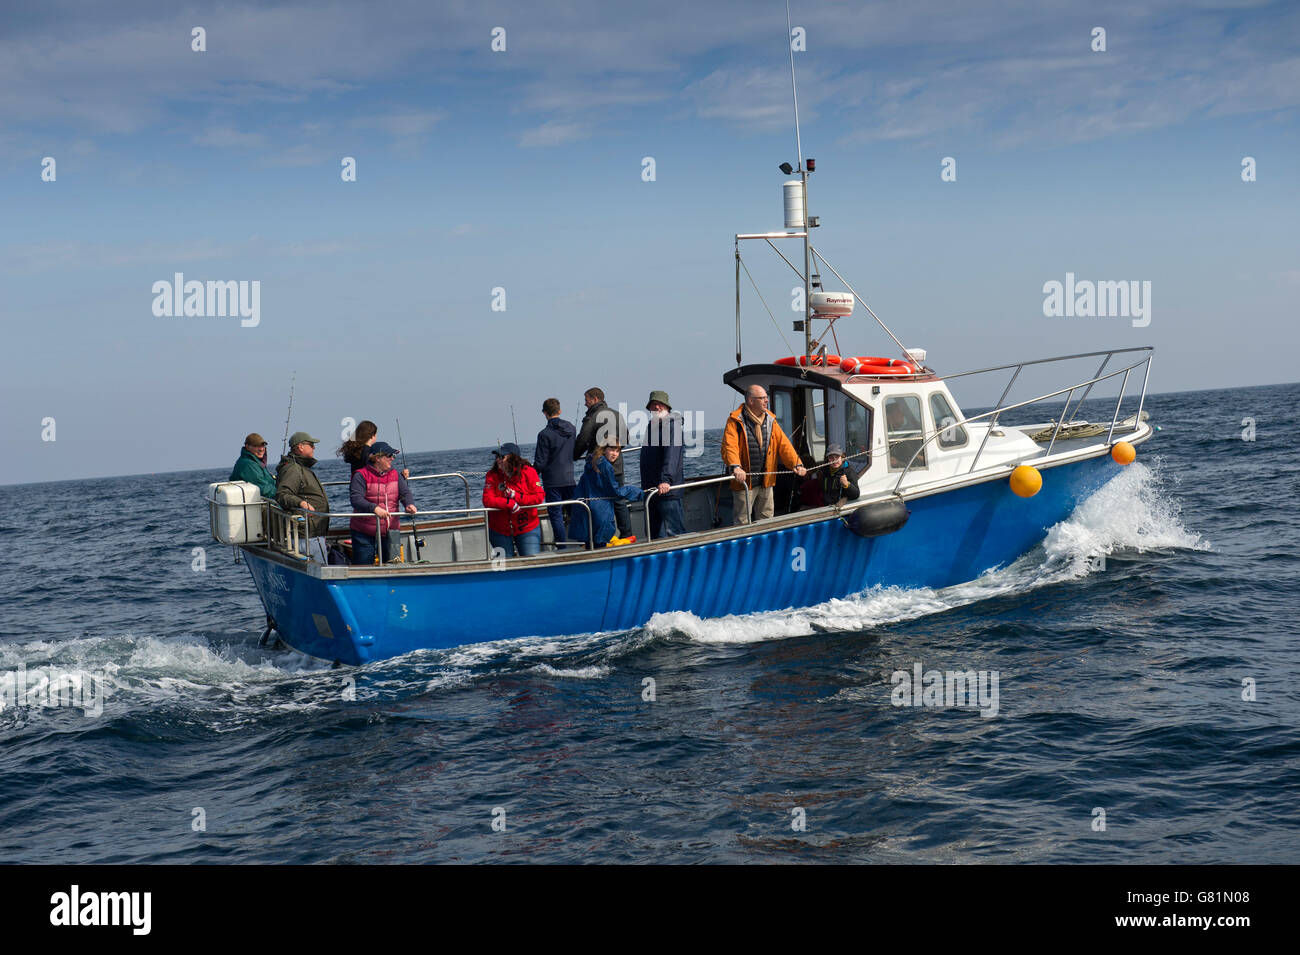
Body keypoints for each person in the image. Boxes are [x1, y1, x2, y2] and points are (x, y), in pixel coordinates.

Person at [721, 384, 807, 525]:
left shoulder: (770, 420)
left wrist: (796, 464)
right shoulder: (735, 421)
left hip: (766, 480)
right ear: (750, 400)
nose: (766, 401)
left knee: (767, 519)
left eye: (767, 398)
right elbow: (730, 447)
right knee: (742, 521)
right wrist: (736, 467)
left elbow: (784, 444)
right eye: (762, 398)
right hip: (744, 482)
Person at [573, 387, 631, 538]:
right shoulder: (617, 414)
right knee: (619, 500)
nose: (585, 404)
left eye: (586, 400)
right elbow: (626, 439)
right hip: (617, 467)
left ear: (595, 399)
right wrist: (614, 452)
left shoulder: (593, 417)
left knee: (600, 503)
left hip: (598, 468)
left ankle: (605, 537)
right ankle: (627, 534)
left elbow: (583, 440)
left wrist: (574, 455)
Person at [349, 441, 417, 565]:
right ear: (378, 458)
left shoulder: (395, 474)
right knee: (364, 569)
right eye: (389, 456)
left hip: (391, 530)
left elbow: (405, 493)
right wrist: (374, 508)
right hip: (364, 532)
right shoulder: (360, 476)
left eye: (393, 456)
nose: (392, 458)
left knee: (393, 565)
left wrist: (409, 504)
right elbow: (356, 499)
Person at [571, 444, 644, 548]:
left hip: (586, 508)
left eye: (618, 451)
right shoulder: (605, 465)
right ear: (604, 449)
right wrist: (637, 492)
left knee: (590, 544)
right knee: (600, 544)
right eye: (612, 450)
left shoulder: (592, 461)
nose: (615, 454)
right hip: (600, 510)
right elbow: (615, 492)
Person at [482, 442, 545, 557]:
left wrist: (516, 496)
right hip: (499, 530)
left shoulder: (529, 472)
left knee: (531, 562)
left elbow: (539, 497)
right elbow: (487, 500)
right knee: (501, 566)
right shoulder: (492, 475)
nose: (498, 460)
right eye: (497, 457)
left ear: (513, 458)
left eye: (502, 457)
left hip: (527, 527)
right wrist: (509, 504)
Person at [276, 431, 331, 558]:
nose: (314, 448)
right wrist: (301, 503)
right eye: (311, 445)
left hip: (312, 533)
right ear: (301, 447)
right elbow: (282, 494)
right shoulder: (293, 468)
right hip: (307, 536)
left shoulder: (300, 467)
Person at [640, 390, 685, 538]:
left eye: (659, 405)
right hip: (651, 491)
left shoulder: (673, 426)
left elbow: (672, 455)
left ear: (667, 407)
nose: (656, 408)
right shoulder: (651, 427)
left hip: (667, 491)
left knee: (674, 532)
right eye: (653, 405)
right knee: (653, 535)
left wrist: (666, 480)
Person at [533, 398, 577, 549]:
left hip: (552, 482)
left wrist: (530, 473)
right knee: (575, 511)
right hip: (570, 478)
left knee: (556, 515)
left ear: (544, 413)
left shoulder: (544, 434)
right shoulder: (571, 428)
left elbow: (540, 462)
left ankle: (562, 546)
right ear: (559, 411)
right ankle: (584, 540)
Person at [338, 420, 409, 479]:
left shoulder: (355, 451)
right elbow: (375, 474)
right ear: (373, 435)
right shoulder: (368, 451)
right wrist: (401, 477)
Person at [229, 432, 277, 497]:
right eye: (256, 446)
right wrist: (283, 492)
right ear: (247, 447)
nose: (261, 449)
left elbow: (267, 481)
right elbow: (263, 490)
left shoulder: (255, 462)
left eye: (263, 446)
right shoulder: (248, 465)